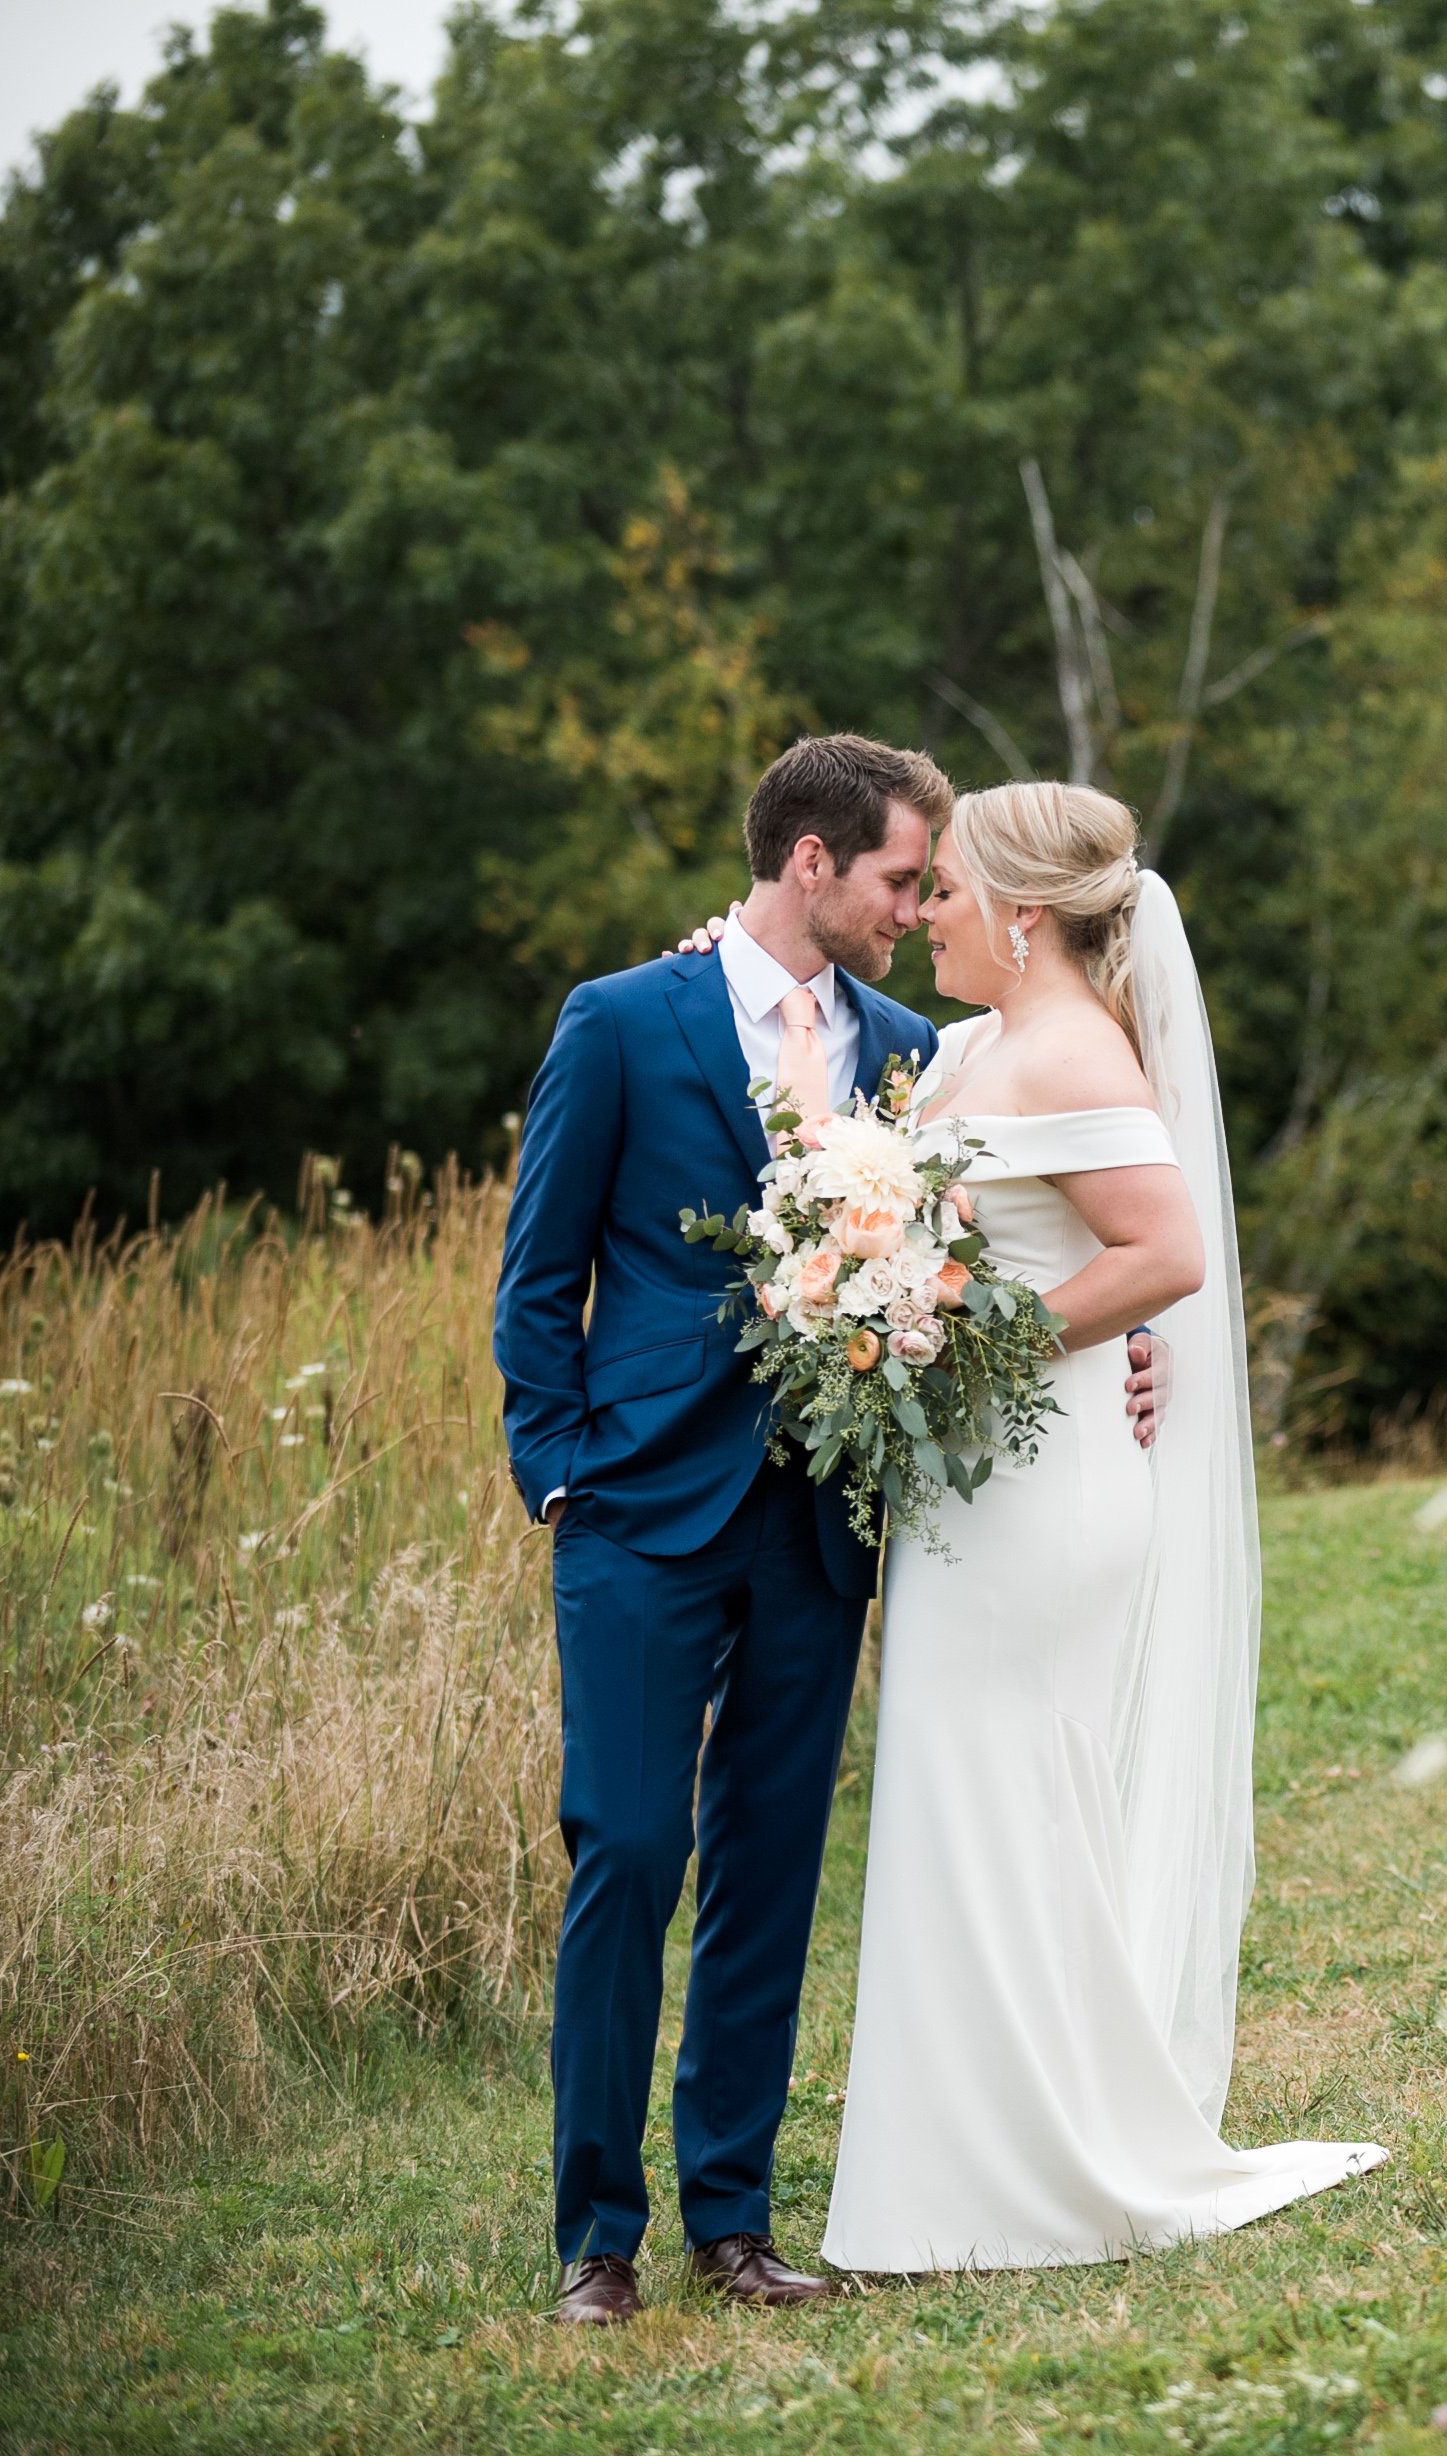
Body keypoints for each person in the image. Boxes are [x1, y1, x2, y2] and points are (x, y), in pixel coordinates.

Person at [492, 737, 1168, 2325]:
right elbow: (539, 1276)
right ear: (812, 864)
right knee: (630, 1848)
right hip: (642, 1509)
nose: (915, 904)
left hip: (824, 1515)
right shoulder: (622, 1021)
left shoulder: (917, 1051)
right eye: (896, 879)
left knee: (770, 1863)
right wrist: (561, 1473)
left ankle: (732, 2219)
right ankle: (597, 2237)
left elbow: (1032, 1217)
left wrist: (1130, 1348)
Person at [817, 779, 1384, 2270]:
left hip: (1040, 1487)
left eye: (944, 890)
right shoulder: (977, 1044)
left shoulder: (1071, 1051)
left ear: (1017, 910)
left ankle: (1025, 2175)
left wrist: (986, 1353)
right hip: (979, 1491)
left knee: (1007, 1799)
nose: (923, 911)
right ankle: (971, 2166)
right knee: (978, 1804)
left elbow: (1167, 1251)